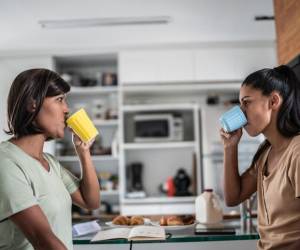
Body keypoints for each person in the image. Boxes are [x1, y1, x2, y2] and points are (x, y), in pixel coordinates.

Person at [0, 69, 100, 250]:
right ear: (33, 104)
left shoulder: (50, 162)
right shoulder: (5, 162)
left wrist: (83, 152)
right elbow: (42, 239)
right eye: (59, 99)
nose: (66, 109)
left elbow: (90, 202)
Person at [220, 65, 300, 249]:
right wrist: (229, 147)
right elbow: (233, 197)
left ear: (273, 101)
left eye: (246, 102)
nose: (241, 112)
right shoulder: (266, 154)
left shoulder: (297, 151)